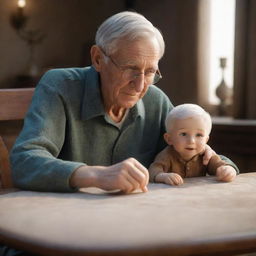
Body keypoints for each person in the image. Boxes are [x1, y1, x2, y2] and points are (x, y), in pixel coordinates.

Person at [10, 11, 238, 194]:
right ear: (98, 58)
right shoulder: (60, 85)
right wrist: (96, 175)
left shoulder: (155, 101)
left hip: (135, 228)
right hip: (64, 228)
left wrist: (218, 163)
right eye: (130, 69)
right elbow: (24, 162)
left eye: (150, 72)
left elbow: (191, 155)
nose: (140, 86)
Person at [149, 104, 237, 185]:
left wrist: (228, 170)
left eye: (199, 135)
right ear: (169, 139)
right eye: (183, 134)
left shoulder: (205, 156)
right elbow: (153, 170)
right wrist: (163, 177)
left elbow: (219, 164)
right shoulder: (167, 155)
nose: (191, 141)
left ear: (206, 140)